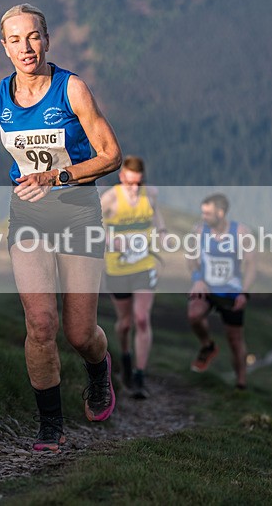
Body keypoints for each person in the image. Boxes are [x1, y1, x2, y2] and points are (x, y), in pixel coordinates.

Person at [0, 4, 122, 452]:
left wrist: (57, 177)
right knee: (39, 323)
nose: (25, 47)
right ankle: (50, 426)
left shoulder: (73, 90)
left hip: (77, 211)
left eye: (33, 37)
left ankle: (98, 368)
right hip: (29, 216)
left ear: (47, 40)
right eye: (15, 40)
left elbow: (112, 156)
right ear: (4, 47)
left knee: (79, 334)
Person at [100, 156, 168, 399]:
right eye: (130, 182)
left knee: (141, 319)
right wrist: (111, 240)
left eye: (138, 183)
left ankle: (139, 376)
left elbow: (156, 215)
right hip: (117, 268)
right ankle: (126, 355)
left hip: (144, 264)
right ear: (122, 177)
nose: (134, 188)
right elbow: (93, 226)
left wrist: (161, 232)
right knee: (125, 323)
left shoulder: (150, 194)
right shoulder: (109, 198)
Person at [186, 193, 256, 390]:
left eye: (207, 213)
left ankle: (241, 383)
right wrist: (197, 280)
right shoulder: (199, 231)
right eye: (202, 212)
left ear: (221, 212)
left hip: (231, 293)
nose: (204, 217)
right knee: (194, 314)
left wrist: (244, 293)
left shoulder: (241, 232)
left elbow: (251, 265)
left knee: (235, 340)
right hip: (207, 289)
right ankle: (208, 346)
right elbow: (191, 260)